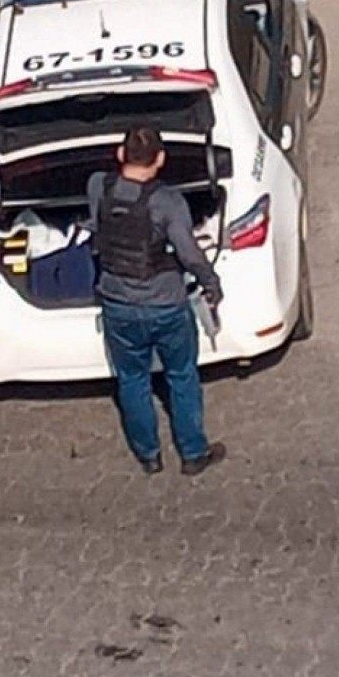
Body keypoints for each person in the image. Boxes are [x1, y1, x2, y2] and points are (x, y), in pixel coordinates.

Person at [89, 127, 225, 476]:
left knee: (132, 379)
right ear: (161, 160)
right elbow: (189, 253)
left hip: (117, 303)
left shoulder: (96, 186)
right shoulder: (167, 201)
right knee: (181, 375)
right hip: (166, 305)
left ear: (121, 153)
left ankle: (148, 455)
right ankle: (193, 453)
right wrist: (211, 282)